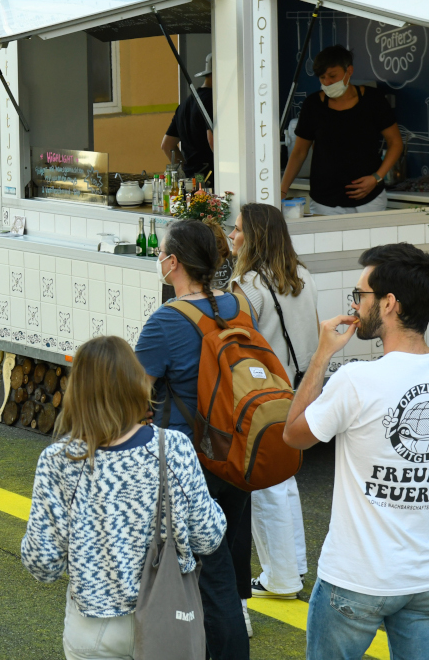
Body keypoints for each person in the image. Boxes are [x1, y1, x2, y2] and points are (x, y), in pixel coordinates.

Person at [22, 335, 227, 660]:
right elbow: (209, 537)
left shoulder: (59, 460)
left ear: (79, 391)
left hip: (93, 627)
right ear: (136, 383)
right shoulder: (173, 448)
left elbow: (42, 563)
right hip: (168, 614)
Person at [283, 243, 429, 659]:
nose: (354, 303)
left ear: (389, 303)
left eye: (360, 294)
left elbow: (294, 435)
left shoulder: (356, 380)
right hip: (422, 579)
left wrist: (321, 356)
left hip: (356, 578)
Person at [134, 219, 250, 660]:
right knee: (221, 570)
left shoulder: (166, 320)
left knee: (208, 578)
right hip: (235, 453)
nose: (159, 260)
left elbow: (134, 395)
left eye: (162, 253)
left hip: (187, 464)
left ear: (175, 262)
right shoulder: (238, 307)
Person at [229, 203, 316, 600]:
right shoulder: (303, 276)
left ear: (256, 236)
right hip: (301, 390)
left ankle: (281, 578)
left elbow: (236, 346)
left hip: (263, 398)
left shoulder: (248, 285)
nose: (232, 235)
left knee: (265, 485)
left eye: (238, 229)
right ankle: (292, 565)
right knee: (285, 478)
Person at [281, 44, 404, 215]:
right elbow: (299, 151)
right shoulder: (313, 105)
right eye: (322, 77)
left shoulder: (373, 100)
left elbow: (395, 142)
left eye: (332, 76)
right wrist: (282, 190)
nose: (327, 82)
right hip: (325, 200)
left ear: (349, 71)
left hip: (370, 199)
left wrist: (376, 178)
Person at [161, 53, 215, 180]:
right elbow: (212, 140)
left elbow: (167, 145)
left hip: (193, 177)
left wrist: (188, 169)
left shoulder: (185, 104)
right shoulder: (212, 100)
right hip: (210, 176)